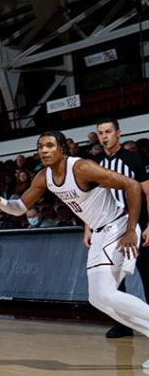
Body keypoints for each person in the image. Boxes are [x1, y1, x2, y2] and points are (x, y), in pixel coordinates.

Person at [0, 131, 149, 367]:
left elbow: (132, 185)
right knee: (97, 298)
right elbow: (19, 208)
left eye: (49, 145)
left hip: (118, 227)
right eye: (40, 146)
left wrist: (132, 229)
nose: (44, 150)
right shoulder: (43, 177)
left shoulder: (82, 168)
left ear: (62, 150)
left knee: (106, 294)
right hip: (100, 234)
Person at [95, 118, 149, 338]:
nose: (104, 136)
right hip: (109, 228)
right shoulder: (95, 163)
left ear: (118, 133)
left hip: (137, 225)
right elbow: (93, 199)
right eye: (100, 133)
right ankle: (123, 325)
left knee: (148, 274)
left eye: (108, 131)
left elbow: (148, 192)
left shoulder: (134, 159)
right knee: (113, 279)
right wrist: (88, 229)